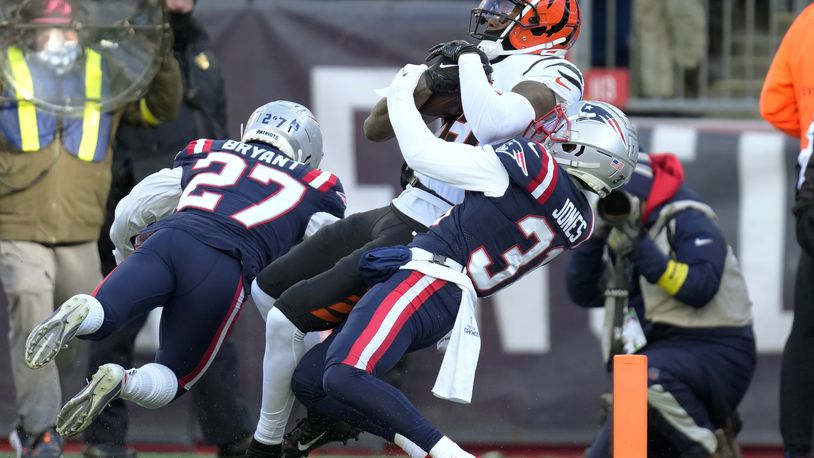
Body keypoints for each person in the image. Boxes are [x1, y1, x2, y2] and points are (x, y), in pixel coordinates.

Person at [243, 1, 584, 457]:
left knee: (290, 321)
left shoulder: (554, 72)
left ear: (545, 19)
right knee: (269, 292)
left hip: (439, 223)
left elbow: (494, 121)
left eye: (507, 8)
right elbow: (375, 128)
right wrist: (425, 82)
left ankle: (266, 443)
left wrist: (459, 71)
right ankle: (332, 400)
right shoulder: (482, 55)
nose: (491, 15)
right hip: (404, 204)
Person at [288, 63, 638, 458]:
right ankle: (420, 444)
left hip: (429, 281)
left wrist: (403, 91)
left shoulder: (531, 164)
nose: (555, 129)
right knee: (311, 381)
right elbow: (484, 230)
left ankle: (447, 454)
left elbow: (423, 155)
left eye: (567, 130)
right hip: (446, 298)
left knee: (344, 374)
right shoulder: (580, 222)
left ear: (582, 148)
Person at [21, 101, 346, 444]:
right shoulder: (316, 186)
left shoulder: (210, 153)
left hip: (166, 240)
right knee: (174, 378)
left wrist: (127, 255)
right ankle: (121, 380)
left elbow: (132, 208)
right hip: (223, 267)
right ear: (308, 149)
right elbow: (337, 250)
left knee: (105, 315)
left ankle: (83, 310)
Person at [0, 0, 182, 456]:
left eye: (65, 30)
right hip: (18, 224)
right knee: (31, 307)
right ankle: (41, 430)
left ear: (80, 31)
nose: (57, 39)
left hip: (81, 230)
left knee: (76, 331)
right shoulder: (6, 65)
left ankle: (41, 422)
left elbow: (161, 107)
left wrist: (157, 51)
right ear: (27, 31)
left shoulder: (107, 72)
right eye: (47, 29)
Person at [82, 0, 253, 456]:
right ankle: (103, 441)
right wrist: (125, 187)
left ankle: (231, 438)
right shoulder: (120, 43)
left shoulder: (199, 43)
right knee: (114, 322)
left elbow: (214, 119)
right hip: (140, 200)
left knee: (209, 320)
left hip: (203, 203)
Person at [565, 153, 755, 457]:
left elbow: (699, 288)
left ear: (643, 197)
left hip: (717, 348)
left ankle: (709, 447)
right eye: (608, 198)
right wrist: (594, 236)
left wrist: (641, 247)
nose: (618, 208)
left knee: (643, 376)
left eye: (622, 199)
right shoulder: (617, 233)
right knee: (605, 452)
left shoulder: (688, 217)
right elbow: (583, 293)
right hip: (653, 359)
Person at [760, 5, 814, 457]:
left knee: (808, 330)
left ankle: (799, 446)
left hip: (811, 187)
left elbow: (773, 104)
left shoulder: (807, 22)